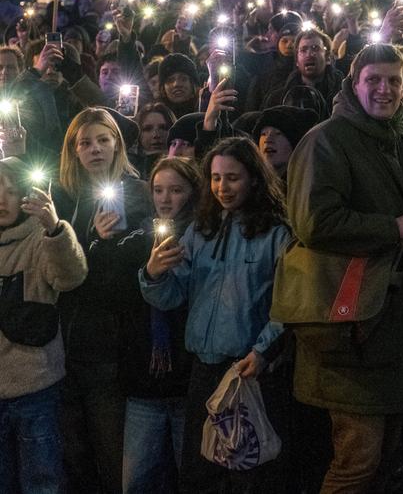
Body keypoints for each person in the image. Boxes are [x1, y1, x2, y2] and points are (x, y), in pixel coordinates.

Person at [272, 44, 403, 493]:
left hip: (390, 332)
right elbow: (314, 221)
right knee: (357, 463)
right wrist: (393, 227)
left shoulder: (399, 145)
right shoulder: (327, 139)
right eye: (374, 80)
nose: (384, 90)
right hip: (352, 333)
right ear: (354, 82)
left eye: (394, 81)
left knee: (383, 463)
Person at [139, 137, 291, 494]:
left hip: (248, 371)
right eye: (216, 177)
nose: (223, 187)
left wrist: (264, 349)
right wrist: (154, 274)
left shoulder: (276, 234)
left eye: (232, 178)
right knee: (199, 470)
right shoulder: (201, 230)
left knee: (247, 474)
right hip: (205, 371)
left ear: (254, 178)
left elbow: (288, 304)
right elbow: (174, 295)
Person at [54, 107, 152, 494]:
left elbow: (127, 273)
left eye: (103, 140)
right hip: (65, 343)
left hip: (111, 344)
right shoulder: (63, 200)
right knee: (73, 451)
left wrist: (99, 244)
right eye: (85, 142)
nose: (95, 149)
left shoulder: (138, 193)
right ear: (74, 151)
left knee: (112, 451)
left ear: (117, 145)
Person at [0, 155, 87, 494]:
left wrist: (54, 228)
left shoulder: (39, 237)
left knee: (43, 480)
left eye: (10, 191)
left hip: (35, 388)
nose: (2, 199)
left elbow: (71, 277)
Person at [115, 157, 201, 493]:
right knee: (137, 480)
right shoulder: (138, 236)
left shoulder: (202, 236)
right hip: (144, 381)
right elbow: (117, 293)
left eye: (176, 190)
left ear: (192, 192)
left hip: (186, 377)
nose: (165, 199)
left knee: (188, 475)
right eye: (158, 190)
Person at [263, 27, 343, 119]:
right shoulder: (277, 99)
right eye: (303, 50)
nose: (309, 54)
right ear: (297, 61)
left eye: (315, 48)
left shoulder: (342, 97)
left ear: (328, 58)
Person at [252, 105, 318, 183]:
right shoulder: (250, 184)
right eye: (263, 134)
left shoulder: (306, 185)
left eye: (278, 134)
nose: (268, 139)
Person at [130, 102, 175, 179]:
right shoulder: (129, 171)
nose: (156, 135)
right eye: (147, 129)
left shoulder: (186, 169)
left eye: (163, 128)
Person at [158, 54, 200, 119]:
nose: (176, 84)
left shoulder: (206, 111)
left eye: (183, 79)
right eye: (170, 80)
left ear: (193, 85)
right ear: (163, 89)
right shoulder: (154, 118)